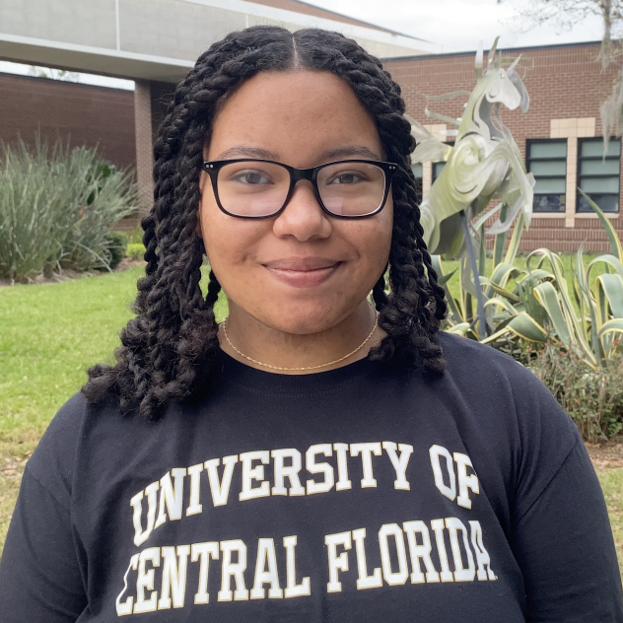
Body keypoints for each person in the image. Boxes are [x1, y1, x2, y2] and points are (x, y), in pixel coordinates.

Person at [0, 25, 621, 623]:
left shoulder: (509, 414)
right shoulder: (91, 443)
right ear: (194, 203)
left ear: (396, 196)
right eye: (251, 176)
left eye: (347, 176)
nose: (302, 220)